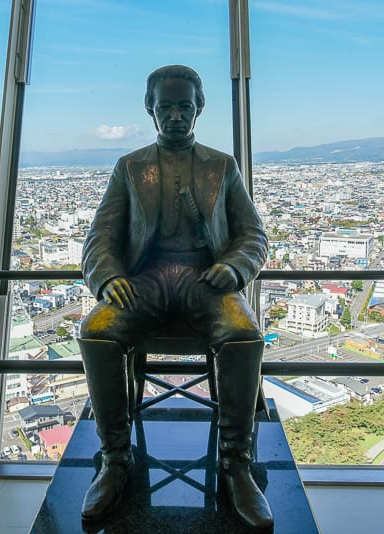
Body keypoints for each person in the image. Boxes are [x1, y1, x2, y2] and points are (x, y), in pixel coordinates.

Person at [78, 65, 273, 531]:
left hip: (204, 280)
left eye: (184, 105)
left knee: (245, 334)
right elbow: (99, 237)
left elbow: (253, 235)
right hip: (143, 282)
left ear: (198, 108)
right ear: (150, 109)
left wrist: (234, 266)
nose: (175, 115)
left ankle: (235, 464)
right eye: (165, 105)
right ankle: (115, 459)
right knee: (97, 331)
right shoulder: (130, 167)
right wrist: (106, 278)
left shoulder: (221, 166)